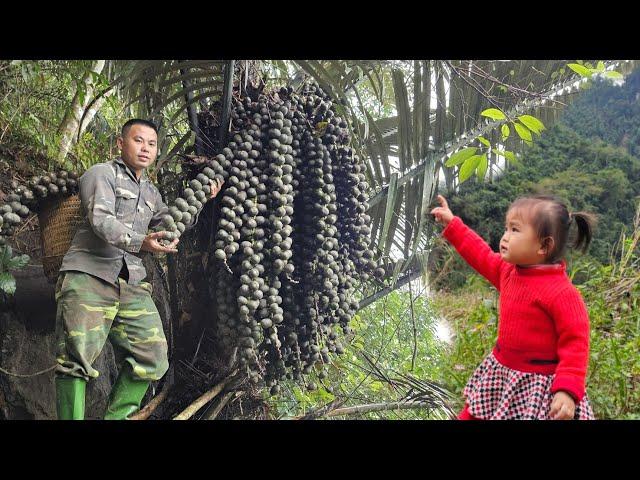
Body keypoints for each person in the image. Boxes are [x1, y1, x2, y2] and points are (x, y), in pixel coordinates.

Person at [54, 119, 223, 420]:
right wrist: (140, 241)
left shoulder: (152, 194)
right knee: (76, 359)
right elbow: (100, 219)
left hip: (130, 284)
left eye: (152, 144)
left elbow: (170, 226)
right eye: (138, 140)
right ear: (121, 144)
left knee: (154, 358)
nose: (145, 148)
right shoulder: (101, 174)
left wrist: (201, 202)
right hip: (90, 275)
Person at [430, 193, 596, 420]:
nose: (505, 237)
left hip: (537, 389)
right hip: (501, 373)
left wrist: (566, 391)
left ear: (544, 246)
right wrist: (452, 224)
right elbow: (480, 254)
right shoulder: (508, 271)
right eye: (506, 228)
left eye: (515, 230)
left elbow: (576, 344)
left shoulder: (562, 294)